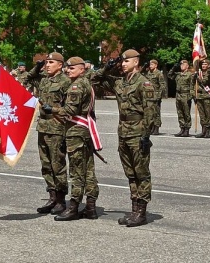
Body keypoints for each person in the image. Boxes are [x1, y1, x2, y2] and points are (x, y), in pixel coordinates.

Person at [94, 49, 155, 227]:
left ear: (136, 62)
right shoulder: (121, 82)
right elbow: (95, 80)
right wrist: (107, 67)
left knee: (141, 173)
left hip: (138, 132)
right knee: (130, 173)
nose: (123, 64)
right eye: (121, 62)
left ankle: (141, 212)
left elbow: (150, 112)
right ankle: (134, 209)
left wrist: (146, 135)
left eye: (126, 61)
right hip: (123, 131)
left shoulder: (144, 84)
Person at [51, 57, 99, 221]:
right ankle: (91, 207)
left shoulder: (77, 85)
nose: (68, 70)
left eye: (72, 68)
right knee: (88, 169)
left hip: (76, 131)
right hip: (83, 131)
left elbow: (70, 110)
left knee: (77, 170)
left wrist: (52, 109)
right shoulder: (85, 83)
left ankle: (74, 207)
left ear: (81, 69)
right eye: (67, 68)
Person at [25, 52, 70, 215]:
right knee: (46, 164)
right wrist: (37, 67)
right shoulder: (43, 79)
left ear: (60, 65)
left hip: (57, 126)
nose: (48, 65)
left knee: (57, 164)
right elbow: (28, 79)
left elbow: (69, 107)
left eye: (51, 62)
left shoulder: (65, 81)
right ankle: (51, 196)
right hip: (43, 126)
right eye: (46, 62)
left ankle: (60, 199)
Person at [168, 60, 194, 137]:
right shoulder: (178, 74)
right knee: (180, 112)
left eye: (184, 65)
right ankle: (182, 128)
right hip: (178, 94)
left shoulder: (190, 75)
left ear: (187, 66)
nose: (181, 66)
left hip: (186, 95)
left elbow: (192, 86)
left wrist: (191, 95)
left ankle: (187, 129)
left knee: (186, 113)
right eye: (181, 65)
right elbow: (169, 75)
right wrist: (173, 68)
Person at [193, 59, 210, 138]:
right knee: (202, 115)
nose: (203, 65)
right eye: (202, 64)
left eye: (205, 64)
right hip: (199, 96)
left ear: (208, 66)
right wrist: (194, 95)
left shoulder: (209, 74)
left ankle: (207, 131)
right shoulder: (199, 73)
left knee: (207, 115)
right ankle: (203, 130)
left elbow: (204, 82)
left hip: (206, 96)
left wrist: (197, 77)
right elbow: (193, 85)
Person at [145, 60, 166, 135]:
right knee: (150, 112)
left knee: (156, 112)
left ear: (156, 65)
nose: (150, 65)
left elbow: (162, 85)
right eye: (150, 64)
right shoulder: (148, 73)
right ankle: (151, 127)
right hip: (149, 95)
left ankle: (156, 128)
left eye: (152, 64)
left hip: (156, 95)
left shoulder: (159, 74)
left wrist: (159, 95)